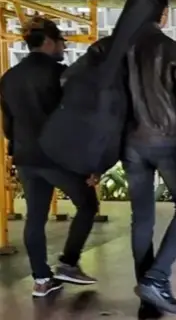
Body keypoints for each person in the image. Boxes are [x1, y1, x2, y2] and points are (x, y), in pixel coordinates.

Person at [67, 0, 176, 317]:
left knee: (142, 219)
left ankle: (149, 301)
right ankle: (156, 278)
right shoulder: (171, 50)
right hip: (168, 143)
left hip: (130, 146)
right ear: (163, 14)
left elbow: (71, 83)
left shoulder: (106, 48)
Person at [0, 17, 99, 297]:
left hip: (26, 157)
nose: (63, 47)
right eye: (60, 42)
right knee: (87, 204)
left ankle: (42, 280)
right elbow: (76, 121)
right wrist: (90, 162)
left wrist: (17, 150)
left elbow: (7, 125)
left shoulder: (8, 79)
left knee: (35, 217)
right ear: (47, 41)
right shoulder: (61, 75)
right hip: (58, 157)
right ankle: (68, 263)